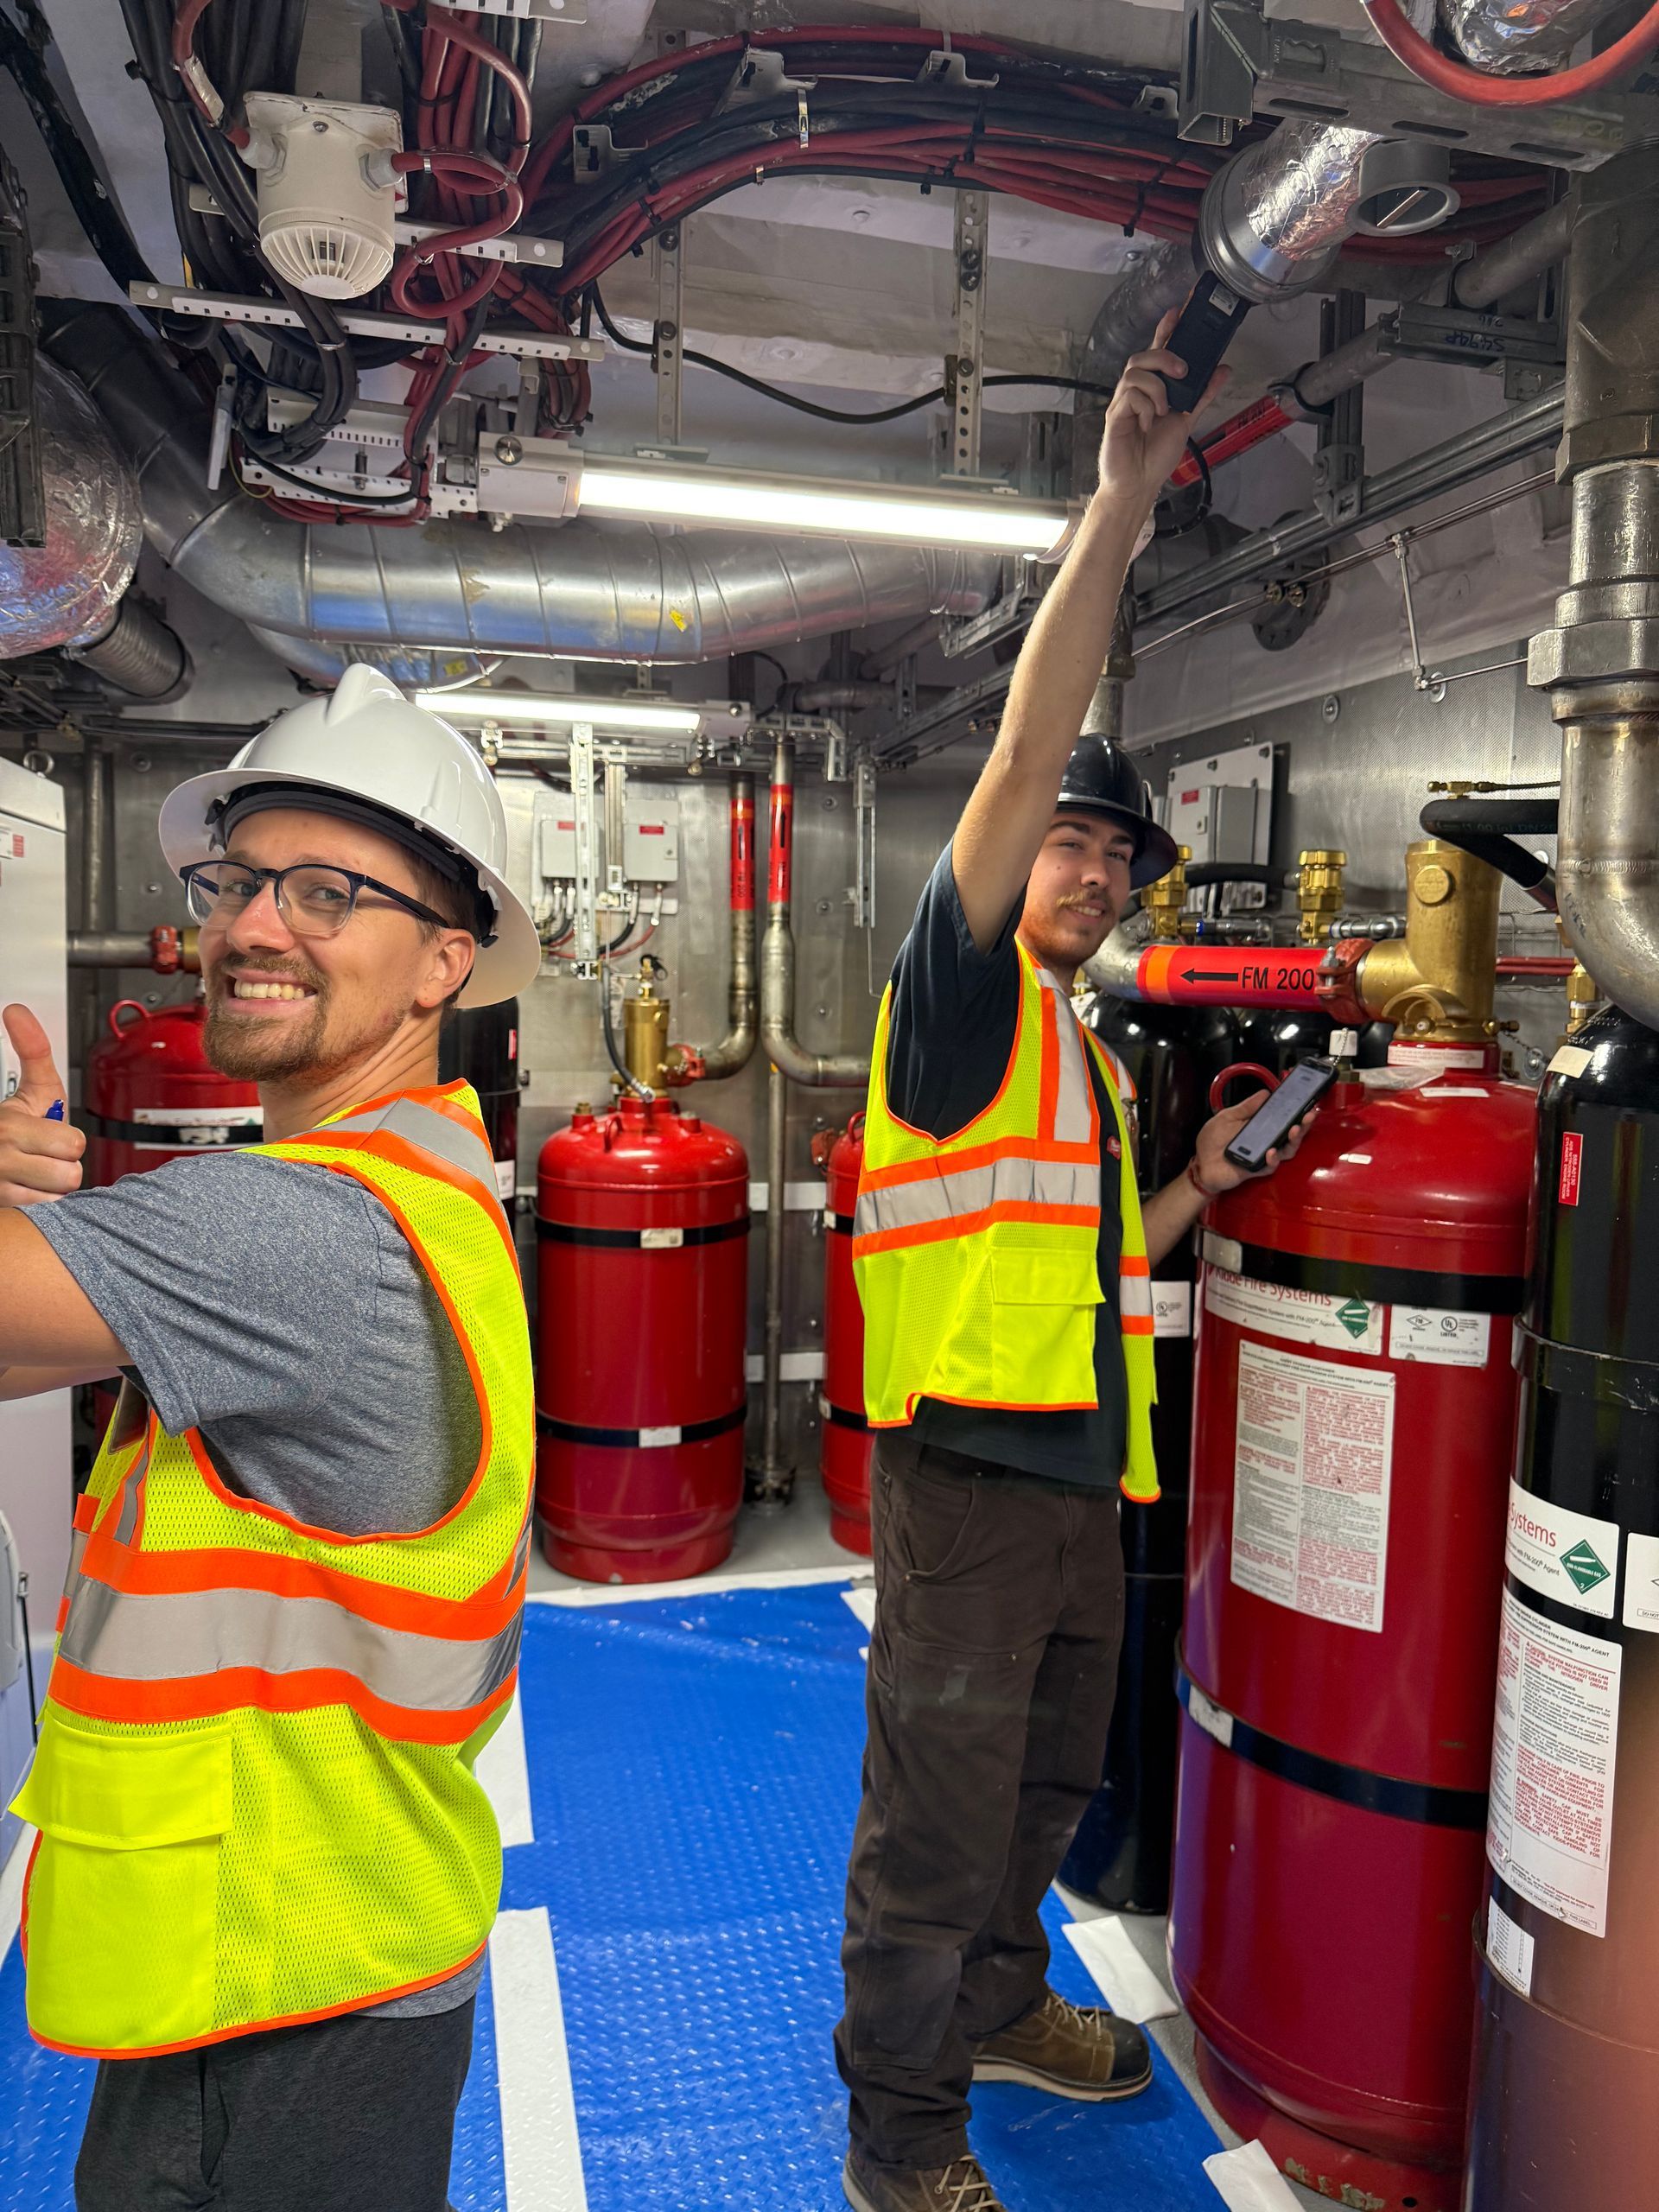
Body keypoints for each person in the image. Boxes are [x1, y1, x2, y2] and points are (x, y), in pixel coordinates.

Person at [835, 315, 1314, 2212]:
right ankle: (900, 2126)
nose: (1096, 872)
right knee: (936, 1824)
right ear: (1019, 849)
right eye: (1072, 845)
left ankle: (1008, 1999)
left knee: (1036, 1795)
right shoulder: (955, 1001)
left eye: (1121, 857)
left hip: (1081, 1481)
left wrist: (1190, 1180)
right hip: (963, 1475)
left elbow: (1103, 1271)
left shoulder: (1089, 1056)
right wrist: (1115, 514)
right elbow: (1032, 735)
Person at [0, 664, 543, 2212]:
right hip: (337, 1936)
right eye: (236, 880)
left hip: (278, 2001)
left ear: (446, 961)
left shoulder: (303, 1232)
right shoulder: (424, 1178)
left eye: (323, 891)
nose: (247, 925)